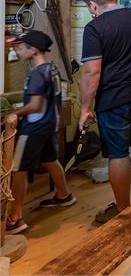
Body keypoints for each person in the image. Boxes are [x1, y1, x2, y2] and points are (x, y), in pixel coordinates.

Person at [79, 0, 131, 224]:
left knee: (118, 154)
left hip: (113, 100)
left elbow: (92, 72)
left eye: (90, 9)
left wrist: (84, 109)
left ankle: (123, 209)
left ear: (93, 5)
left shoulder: (94, 27)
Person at [5, 31, 76, 234]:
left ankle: (16, 217)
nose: (17, 51)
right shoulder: (51, 69)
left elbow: (35, 105)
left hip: (34, 128)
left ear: (33, 50)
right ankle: (64, 195)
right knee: (49, 159)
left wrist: (14, 114)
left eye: (20, 48)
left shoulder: (37, 73)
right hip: (49, 125)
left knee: (19, 169)